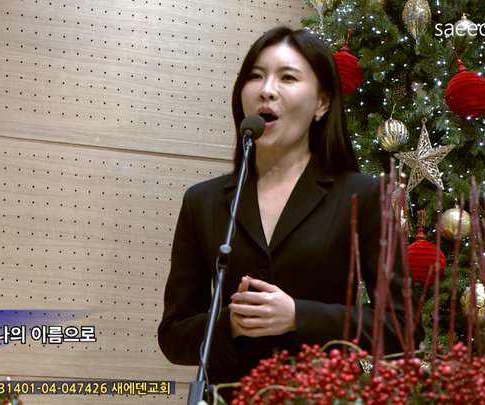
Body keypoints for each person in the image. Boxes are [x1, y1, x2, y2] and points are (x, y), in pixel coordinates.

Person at [158, 26, 419, 393]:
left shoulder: (363, 196)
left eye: (287, 77)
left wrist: (297, 315)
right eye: (256, 76)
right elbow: (173, 336)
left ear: (322, 104)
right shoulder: (202, 201)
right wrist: (231, 323)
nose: (267, 90)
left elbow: (403, 327)